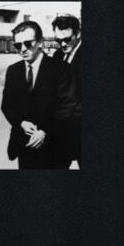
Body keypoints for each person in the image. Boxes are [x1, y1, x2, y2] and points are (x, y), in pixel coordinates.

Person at [0, 21, 76, 169]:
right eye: (18, 45)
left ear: (40, 42)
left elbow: (67, 107)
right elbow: (7, 105)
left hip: (54, 147)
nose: (23, 49)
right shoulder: (13, 71)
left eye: (28, 43)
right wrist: (21, 122)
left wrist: (44, 131)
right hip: (24, 145)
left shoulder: (61, 68)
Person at [50, 14, 82, 168]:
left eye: (67, 39)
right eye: (58, 40)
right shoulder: (57, 55)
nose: (62, 44)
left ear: (78, 33)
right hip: (61, 130)